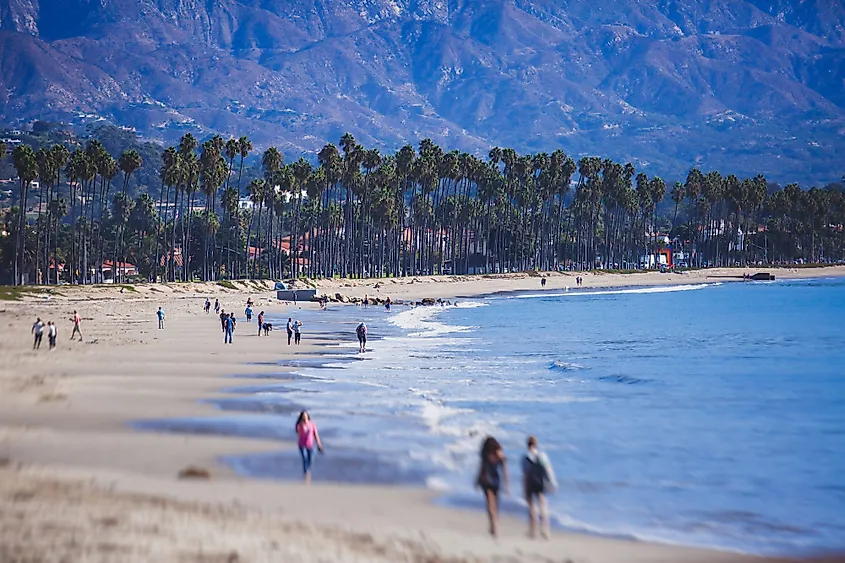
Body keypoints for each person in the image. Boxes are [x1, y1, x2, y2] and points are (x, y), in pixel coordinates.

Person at [522, 436, 558, 539]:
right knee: (543, 507)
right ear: (536, 444)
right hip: (540, 483)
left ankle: (533, 531)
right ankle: (545, 530)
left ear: (527, 445)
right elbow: (548, 470)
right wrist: (552, 483)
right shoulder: (542, 456)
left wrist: (525, 489)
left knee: (531, 508)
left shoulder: (525, 457)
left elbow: (525, 474)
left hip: (530, 483)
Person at [477, 436, 509, 537]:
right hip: (495, 480)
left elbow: (482, 468)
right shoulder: (499, 453)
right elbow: (504, 469)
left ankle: (493, 526)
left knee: (490, 505)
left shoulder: (485, 454)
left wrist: (478, 479)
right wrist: (506, 484)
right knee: (495, 505)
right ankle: (495, 526)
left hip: (486, 479)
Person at [295, 410, 323, 484]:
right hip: (302, 444)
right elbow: (298, 432)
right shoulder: (300, 425)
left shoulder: (312, 424)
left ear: (308, 416)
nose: (305, 417)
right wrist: (301, 425)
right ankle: (306, 472)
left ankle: (308, 469)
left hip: (311, 444)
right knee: (304, 458)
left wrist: (319, 443)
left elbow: (315, 434)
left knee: (311, 459)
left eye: (306, 415)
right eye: (303, 416)